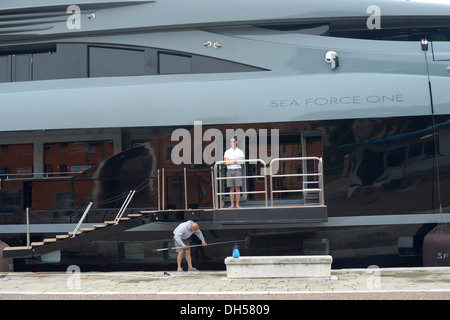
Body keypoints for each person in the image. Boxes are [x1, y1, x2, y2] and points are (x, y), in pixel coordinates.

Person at [224, 137, 245, 208]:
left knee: (237, 187)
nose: (232, 143)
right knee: (231, 188)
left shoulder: (240, 151)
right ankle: (232, 204)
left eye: (233, 141)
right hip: (230, 170)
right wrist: (236, 160)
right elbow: (225, 162)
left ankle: (237, 204)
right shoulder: (227, 151)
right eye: (231, 142)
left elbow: (241, 161)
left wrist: (231, 160)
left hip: (237, 170)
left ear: (236, 142)